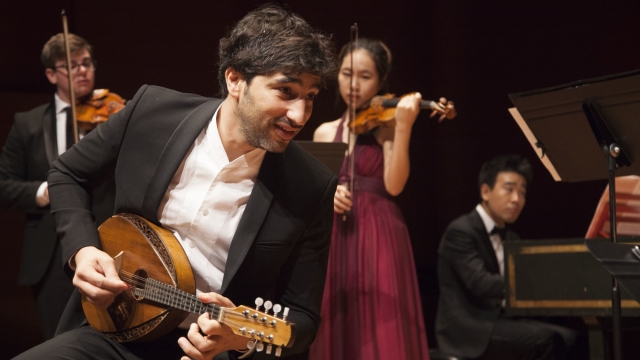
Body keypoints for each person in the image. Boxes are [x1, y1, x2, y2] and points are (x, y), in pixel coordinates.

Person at [14, 4, 337, 360]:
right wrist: (83, 249)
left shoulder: (311, 185)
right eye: (286, 91)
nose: (300, 115)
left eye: (310, 96)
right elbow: (67, 173)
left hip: (211, 353)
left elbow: (302, 320)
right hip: (115, 329)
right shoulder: (151, 113)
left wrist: (238, 340)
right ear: (235, 80)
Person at [310, 38, 436, 360]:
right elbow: (315, 195)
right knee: (338, 320)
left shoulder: (387, 126)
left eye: (365, 76)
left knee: (381, 322)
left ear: (381, 82)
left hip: (379, 231)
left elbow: (394, 186)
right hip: (336, 236)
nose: (353, 84)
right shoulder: (324, 132)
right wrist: (330, 194)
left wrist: (404, 127)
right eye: (347, 73)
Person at [0, 33, 115, 340]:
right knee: (58, 341)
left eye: (87, 63)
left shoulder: (113, 115)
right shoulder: (28, 124)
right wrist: (43, 192)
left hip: (107, 244)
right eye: (71, 65)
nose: (82, 70)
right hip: (50, 255)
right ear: (51, 74)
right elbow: (4, 185)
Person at [435, 154, 577, 360]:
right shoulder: (460, 231)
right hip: (470, 328)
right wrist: (531, 284)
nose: (516, 199)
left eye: (522, 192)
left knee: (572, 337)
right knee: (547, 340)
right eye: (509, 189)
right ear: (485, 191)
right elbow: (479, 283)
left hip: (502, 321)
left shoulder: (511, 237)